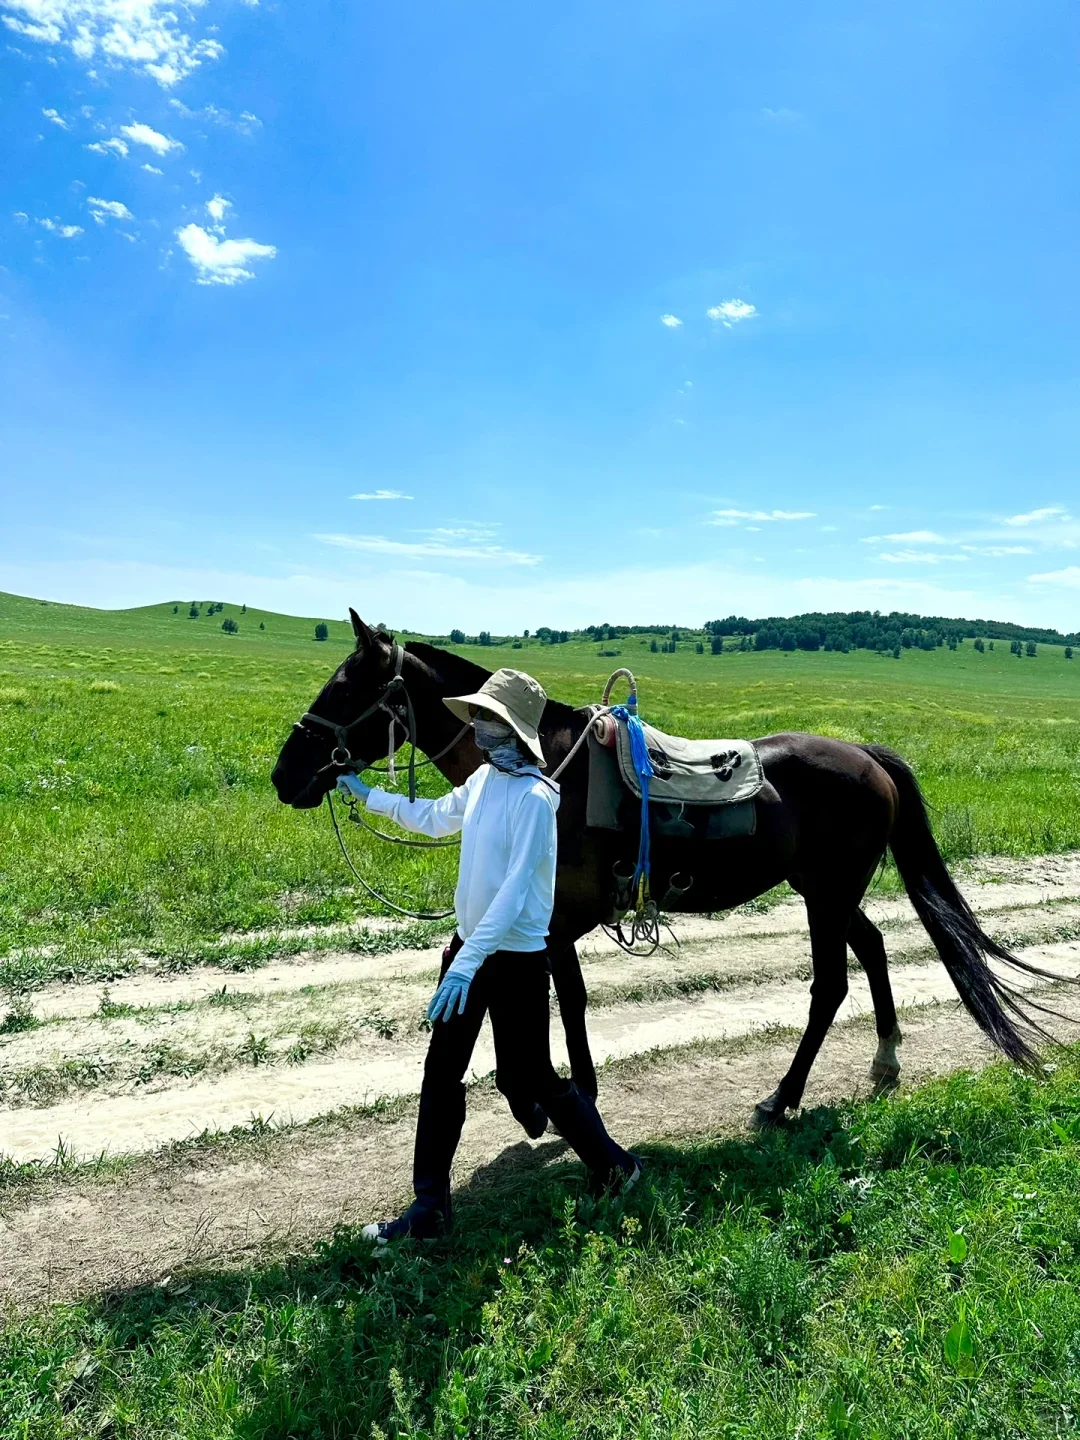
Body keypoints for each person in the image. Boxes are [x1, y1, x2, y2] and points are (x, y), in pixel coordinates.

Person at [337, 667, 640, 1242]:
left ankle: (617, 1167)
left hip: (517, 964)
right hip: (471, 953)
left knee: (536, 1079)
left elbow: (515, 892)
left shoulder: (535, 799)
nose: (475, 725)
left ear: (511, 728)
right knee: (441, 1072)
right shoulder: (481, 784)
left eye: (486, 717)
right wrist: (366, 795)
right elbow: (429, 818)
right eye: (475, 715)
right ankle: (429, 1211)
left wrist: (468, 962)